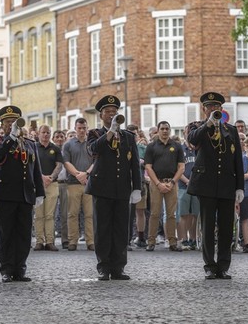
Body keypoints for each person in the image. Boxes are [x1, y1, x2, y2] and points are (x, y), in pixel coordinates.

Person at [187, 92, 244, 279]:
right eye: (210, 107)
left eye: (217, 107)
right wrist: (209, 123)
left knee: (227, 228)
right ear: (204, 109)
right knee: (208, 227)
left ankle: (223, 265)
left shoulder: (231, 130)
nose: (213, 109)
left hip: (227, 184)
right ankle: (209, 265)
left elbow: (237, 160)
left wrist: (239, 187)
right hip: (206, 185)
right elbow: (193, 140)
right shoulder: (198, 127)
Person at [86, 95, 141, 280]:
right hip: (101, 187)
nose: (111, 115)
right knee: (102, 229)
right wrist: (110, 132)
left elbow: (134, 164)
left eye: (114, 112)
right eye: (108, 112)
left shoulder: (128, 137)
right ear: (101, 115)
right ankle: (103, 267)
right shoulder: (95, 133)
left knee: (120, 229)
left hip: (122, 188)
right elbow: (94, 150)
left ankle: (118, 267)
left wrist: (137, 187)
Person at [0, 106, 45, 283]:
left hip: (24, 195)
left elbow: (36, 169)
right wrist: (11, 138)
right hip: (5, 195)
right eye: (8, 122)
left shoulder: (29, 143)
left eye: (15, 122)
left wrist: (39, 192)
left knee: (23, 234)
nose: (12, 125)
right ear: (3, 125)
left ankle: (20, 268)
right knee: (7, 234)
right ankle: (6, 269)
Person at [144, 121, 185, 252]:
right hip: (156, 183)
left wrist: (172, 182)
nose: (165, 131)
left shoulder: (177, 146)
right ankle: (151, 242)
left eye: (167, 128)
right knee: (155, 213)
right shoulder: (151, 146)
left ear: (170, 130)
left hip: (171, 183)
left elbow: (181, 167)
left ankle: (172, 242)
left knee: (171, 214)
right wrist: (157, 183)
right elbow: (148, 167)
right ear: (158, 130)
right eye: (162, 129)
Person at [63, 118, 95, 251]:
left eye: (84, 128)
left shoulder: (92, 144)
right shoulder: (68, 144)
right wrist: (78, 175)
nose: (82, 130)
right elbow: (66, 162)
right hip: (73, 183)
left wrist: (86, 174)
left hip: (90, 183)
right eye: (79, 128)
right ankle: (72, 241)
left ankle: (91, 241)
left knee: (90, 214)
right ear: (75, 128)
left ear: (87, 128)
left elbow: (97, 161)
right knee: (72, 213)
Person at [34, 124, 63, 251]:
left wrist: (50, 177)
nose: (46, 135)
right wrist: (41, 177)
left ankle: (50, 241)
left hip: (52, 184)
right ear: (38, 133)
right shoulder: (33, 147)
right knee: (39, 215)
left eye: (48, 133)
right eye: (43, 132)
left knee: (50, 215)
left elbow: (59, 165)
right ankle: (39, 241)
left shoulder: (55, 148)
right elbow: (31, 165)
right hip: (37, 185)